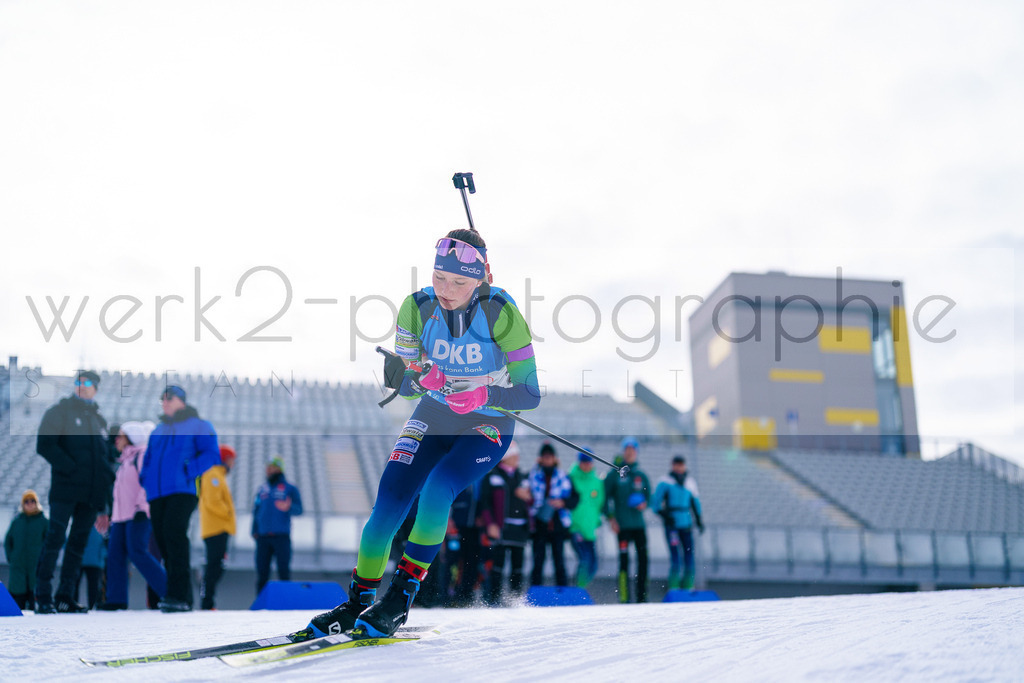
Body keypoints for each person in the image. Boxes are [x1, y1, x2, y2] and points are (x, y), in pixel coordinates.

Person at [306, 227, 540, 639]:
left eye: (459, 282)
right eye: (439, 277)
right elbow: (407, 382)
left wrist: (485, 393)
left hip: (487, 420)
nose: (446, 289)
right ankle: (358, 602)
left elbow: (530, 394)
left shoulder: (500, 313)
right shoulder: (416, 307)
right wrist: (417, 377)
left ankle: (399, 599)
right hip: (434, 413)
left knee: (437, 489)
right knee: (388, 502)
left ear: (481, 278)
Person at [34, 370, 115, 613]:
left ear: (96, 388)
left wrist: (104, 504)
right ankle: (43, 597)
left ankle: (64, 596)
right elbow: (44, 444)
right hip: (65, 490)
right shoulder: (60, 411)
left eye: (87, 382)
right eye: (78, 381)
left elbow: (104, 464)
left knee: (78, 545)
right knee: (55, 539)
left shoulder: (99, 421)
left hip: (90, 496)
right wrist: (70, 468)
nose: (82, 385)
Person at [140, 385, 220, 612]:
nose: (164, 402)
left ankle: (178, 596)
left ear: (181, 401)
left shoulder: (199, 425)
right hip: (157, 493)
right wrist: (145, 479)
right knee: (163, 540)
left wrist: (189, 470)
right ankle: (181, 596)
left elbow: (211, 454)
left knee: (174, 535)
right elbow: (148, 459)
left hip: (183, 491)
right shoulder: (158, 430)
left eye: (169, 398)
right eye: (162, 399)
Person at [101, 420, 166, 610]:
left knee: (138, 553)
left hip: (137, 514)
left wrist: (141, 507)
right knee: (115, 555)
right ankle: (116, 599)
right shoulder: (124, 461)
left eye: (121, 436)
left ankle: (170, 590)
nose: (116, 440)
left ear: (131, 438)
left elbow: (147, 483)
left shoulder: (143, 455)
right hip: (120, 518)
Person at [479, 440, 531, 604]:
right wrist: (490, 524)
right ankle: (494, 599)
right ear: (505, 457)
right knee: (497, 565)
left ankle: (515, 599)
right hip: (501, 528)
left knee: (518, 566)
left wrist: (528, 497)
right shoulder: (493, 476)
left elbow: (533, 501)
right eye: (514, 456)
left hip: (520, 528)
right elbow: (484, 503)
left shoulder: (522, 477)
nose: (517, 458)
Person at [603, 436, 651, 603]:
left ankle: (642, 597)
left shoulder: (641, 475)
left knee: (643, 560)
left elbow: (649, 497)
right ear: (623, 451)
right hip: (622, 526)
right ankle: (624, 597)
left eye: (633, 449)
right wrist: (611, 519)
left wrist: (644, 504)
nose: (630, 452)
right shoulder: (615, 474)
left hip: (639, 525)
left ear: (636, 452)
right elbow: (604, 498)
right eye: (627, 449)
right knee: (624, 562)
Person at [527, 442, 578, 587]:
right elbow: (526, 496)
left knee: (559, 561)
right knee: (538, 561)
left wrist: (562, 502)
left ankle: (562, 591)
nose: (548, 459)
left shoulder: (564, 477)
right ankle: (536, 591)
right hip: (539, 525)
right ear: (540, 458)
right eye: (545, 457)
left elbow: (575, 499)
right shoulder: (532, 476)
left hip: (557, 525)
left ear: (555, 458)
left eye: (550, 456)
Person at [252, 456, 303, 596]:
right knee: (262, 572)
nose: (268, 470)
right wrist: (254, 530)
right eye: (267, 468)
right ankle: (260, 603)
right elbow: (256, 510)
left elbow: (299, 510)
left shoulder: (290, 488)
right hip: (263, 537)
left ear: (279, 469)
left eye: (272, 467)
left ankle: (285, 602)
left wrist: (288, 507)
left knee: (283, 571)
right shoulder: (262, 489)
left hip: (281, 536)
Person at [653, 455, 704, 590]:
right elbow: (655, 503)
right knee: (675, 558)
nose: (679, 467)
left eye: (681, 465)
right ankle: (674, 587)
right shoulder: (665, 482)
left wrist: (699, 520)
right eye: (677, 464)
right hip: (672, 526)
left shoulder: (690, 483)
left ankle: (688, 587)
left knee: (689, 556)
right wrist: (666, 516)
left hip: (686, 524)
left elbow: (695, 503)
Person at [199, 444, 238, 610]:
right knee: (214, 566)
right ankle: (207, 602)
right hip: (216, 528)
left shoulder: (217, 475)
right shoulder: (213, 475)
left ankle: (208, 601)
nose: (233, 464)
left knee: (216, 566)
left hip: (218, 528)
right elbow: (213, 501)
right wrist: (228, 513)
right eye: (231, 460)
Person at [3, 490, 48, 610]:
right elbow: (8, 541)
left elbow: (49, 543)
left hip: (36, 567)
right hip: (18, 568)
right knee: (17, 606)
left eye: (32, 501)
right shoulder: (17, 522)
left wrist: (44, 560)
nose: (30, 504)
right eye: (26, 501)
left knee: (35, 603)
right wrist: (12, 557)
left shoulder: (43, 522)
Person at [567, 448, 605, 589]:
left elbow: (599, 504)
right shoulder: (571, 478)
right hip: (576, 528)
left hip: (590, 530)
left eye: (588, 462)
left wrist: (596, 522)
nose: (586, 465)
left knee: (594, 564)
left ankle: (580, 588)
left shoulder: (597, 482)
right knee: (584, 559)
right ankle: (578, 590)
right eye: (583, 462)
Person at [76, 523, 107, 609]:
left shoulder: (99, 526)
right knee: (92, 586)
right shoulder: (99, 527)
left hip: (92, 562)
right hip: (88, 561)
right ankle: (93, 605)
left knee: (94, 587)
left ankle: (94, 605)